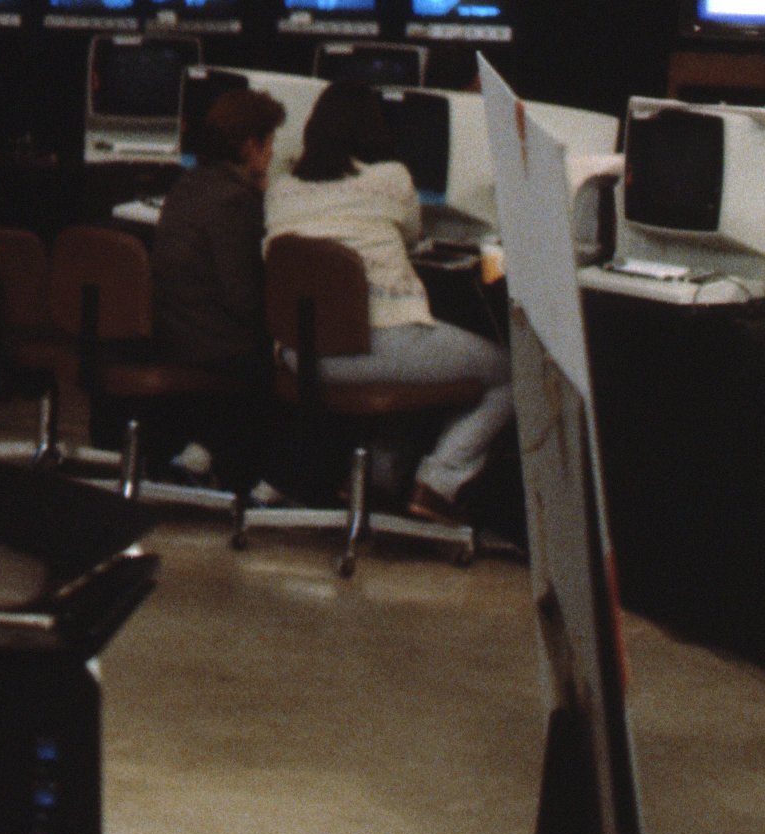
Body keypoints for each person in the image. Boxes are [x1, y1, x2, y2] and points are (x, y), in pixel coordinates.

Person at [262, 81, 513, 520]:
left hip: (301, 358)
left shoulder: (280, 188)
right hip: (374, 348)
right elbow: (413, 234)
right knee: (507, 369)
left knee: (419, 363)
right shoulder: (391, 179)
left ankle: (378, 480)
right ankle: (438, 483)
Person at [149, 83, 287, 489]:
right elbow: (243, 299)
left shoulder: (189, 185)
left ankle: (202, 451)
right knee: (300, 352)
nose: (274, 153)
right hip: (215, 347)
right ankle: (278, 481)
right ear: (250, 145)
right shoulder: (234, 201)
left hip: (171, 334)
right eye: (269, 143)